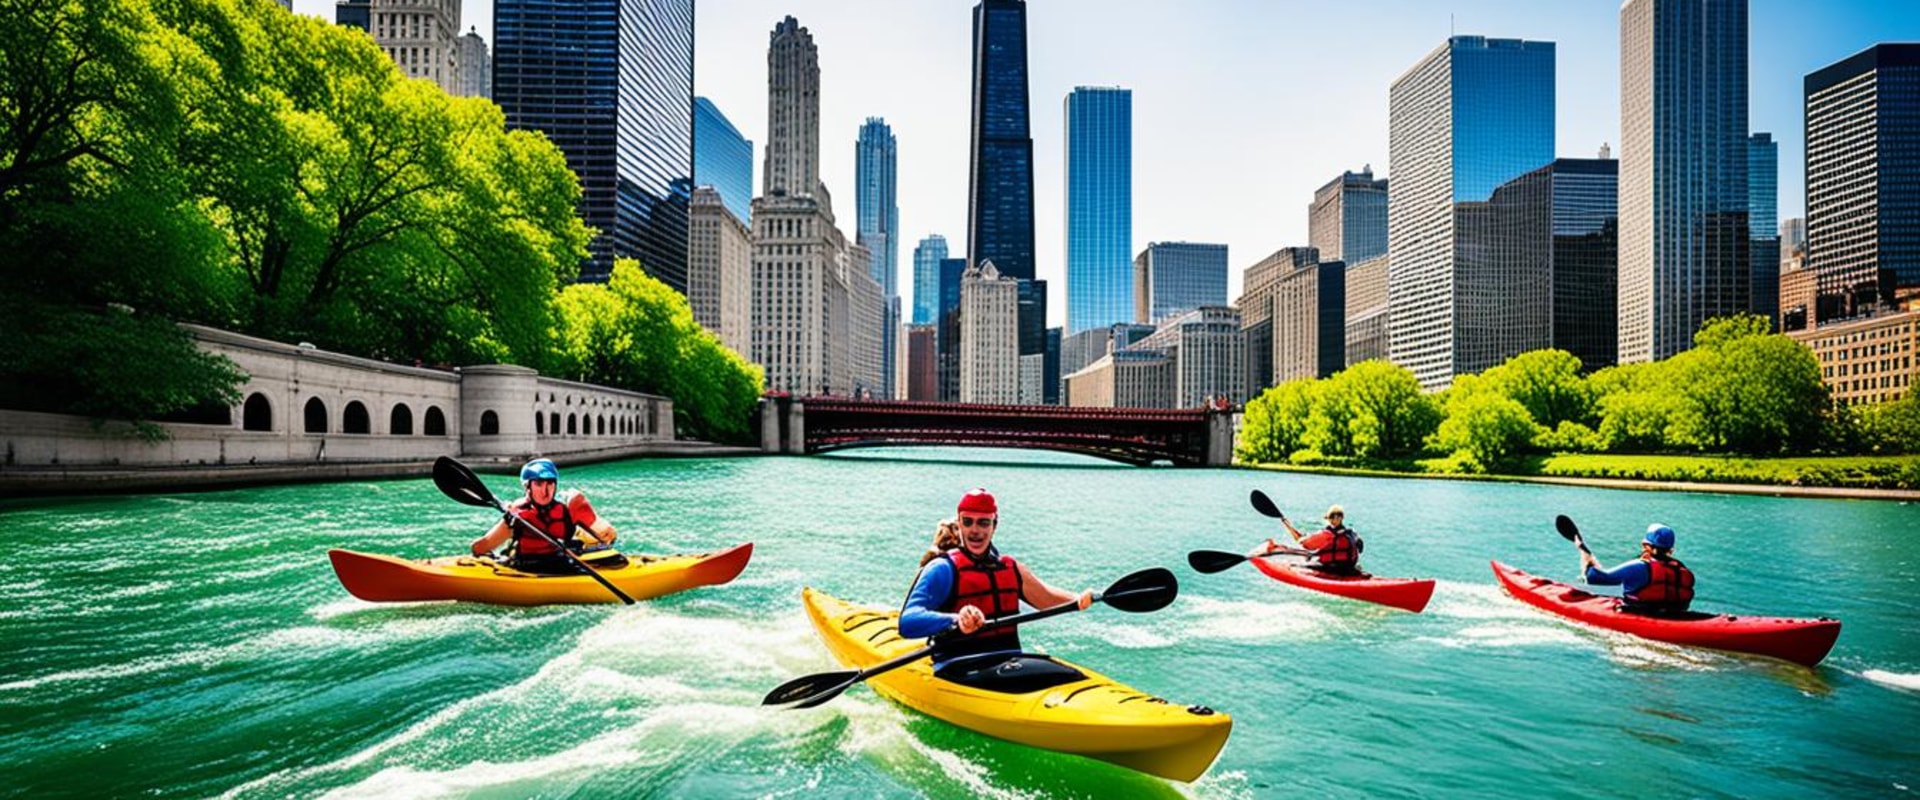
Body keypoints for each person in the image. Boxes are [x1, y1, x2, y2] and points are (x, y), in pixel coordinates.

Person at [899, 489, 1093, 688]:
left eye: (983, 522)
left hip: (1008, 661)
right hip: (959, 667)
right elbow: (908, 622)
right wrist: (957, 620)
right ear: (959, 524)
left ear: (994, 525)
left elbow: (1046, 598)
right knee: (1061, 674)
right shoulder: (942, 569)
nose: (975, 530)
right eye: (968, 522)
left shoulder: (1010, 568)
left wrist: (1082, 599)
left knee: (1070, 674)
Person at [469, 458, 618, 575]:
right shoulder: (519, 516)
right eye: (539, 484)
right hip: (544, 566)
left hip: (548, 565)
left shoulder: (564, 509)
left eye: (550, 484)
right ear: (527, 487)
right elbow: (480, 548)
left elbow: (480, 548)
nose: (545, 491)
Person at [1582, 523, 1695, 614]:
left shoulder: (1639, 566)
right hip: (1677, 615)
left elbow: (1595, 578)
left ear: (1646, 546)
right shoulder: (1681, 569)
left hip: (1640, 613)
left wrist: (1588, 562)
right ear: (1670, 550)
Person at [1257, 504, 1364, 575]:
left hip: (1333, 568)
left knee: (1298, 564)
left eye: (1335, 517)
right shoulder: (1351, 533)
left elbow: (1303, 542)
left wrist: (1288, 525)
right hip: (1349, 567)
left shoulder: (1326, 534)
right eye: (1333, 517)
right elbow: (1360, 546)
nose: (1334, 519)